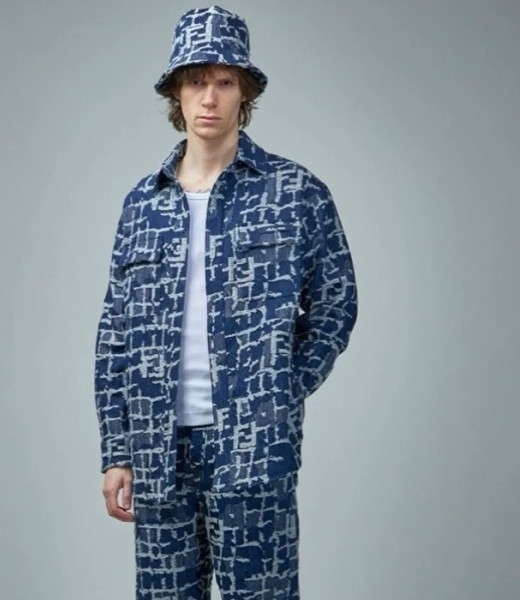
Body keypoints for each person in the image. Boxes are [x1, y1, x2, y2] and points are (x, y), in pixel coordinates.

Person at [94, 5, 357, 599]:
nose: (209, 97)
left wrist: (282, 387)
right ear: (176, 93)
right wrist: (116, 451)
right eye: (195, 81)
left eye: (224, 81)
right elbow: (115, 333)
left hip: (255, 447)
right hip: (157, 452)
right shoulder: (141, 205)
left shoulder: (295, 193)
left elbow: (336, 302)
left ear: (245, 93)